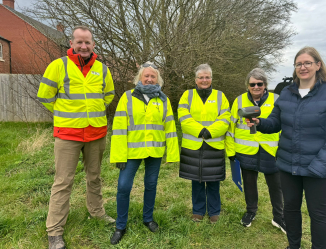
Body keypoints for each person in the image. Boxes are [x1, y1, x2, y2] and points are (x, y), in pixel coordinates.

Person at [246, 47, 326, 249]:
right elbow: (276, 123)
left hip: (318, 168)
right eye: (299, 64)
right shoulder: (286, 92)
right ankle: (293, 246)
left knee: (317, 213)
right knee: (291, 210)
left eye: (307, 63)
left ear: (318, 65)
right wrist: (259, 122)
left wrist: (321, 165)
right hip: (287, 165)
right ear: (295, 67)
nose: (303, 67)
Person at [37, 26, 115, 249]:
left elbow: (108, 94)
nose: (83, 46)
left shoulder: (102, 69)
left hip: (96, 132)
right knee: (63, 182)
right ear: (72, 43)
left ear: (93, 45)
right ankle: (54, 231)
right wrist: (65, 114)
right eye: (79, 42)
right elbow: (45, 96)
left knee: (95, 177)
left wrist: (96, 108)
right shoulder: (58, 66)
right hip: (68, 134)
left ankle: (97, 213)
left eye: (87, 42)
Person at [109, 62, 179, 245]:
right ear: (139, 78)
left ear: (158, 80)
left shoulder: (163, 100)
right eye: (146, 76)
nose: (149, 79)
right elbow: (118, 128)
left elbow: (170, 128)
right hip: (132, 151)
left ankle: (148, 218)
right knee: (123, 187)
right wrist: (118, 155)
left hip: (154, 151)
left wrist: (172, 154)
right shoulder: (127, 97)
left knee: (151, 184)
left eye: (153, 76)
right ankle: (120, 226)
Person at [226, 68, 286, 233]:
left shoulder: (277, 100)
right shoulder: (238, 101)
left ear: (265, 85)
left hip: (271, 152)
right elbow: (231, 128)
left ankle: (279, 217)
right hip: (245, 151)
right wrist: (231, 152)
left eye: (260, 83)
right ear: (248, 85)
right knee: (249, 184)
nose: (256, 87)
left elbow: (285, 127)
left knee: (276, 186)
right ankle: (250, 212)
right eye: (253, 84)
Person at [178, 63, 231, 224]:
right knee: (197, 181)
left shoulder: (220, 96)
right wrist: (200, 131)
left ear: (211, 78)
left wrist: (210, 132)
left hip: (213, 145)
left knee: (214, 181)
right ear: (195, 79)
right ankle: (198, 211)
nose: (204, 80)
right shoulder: (187, 95)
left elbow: (225, 118)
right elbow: (183, 116)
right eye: (201, 77)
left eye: (207, 77)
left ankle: (214, 211)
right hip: (193, 146)